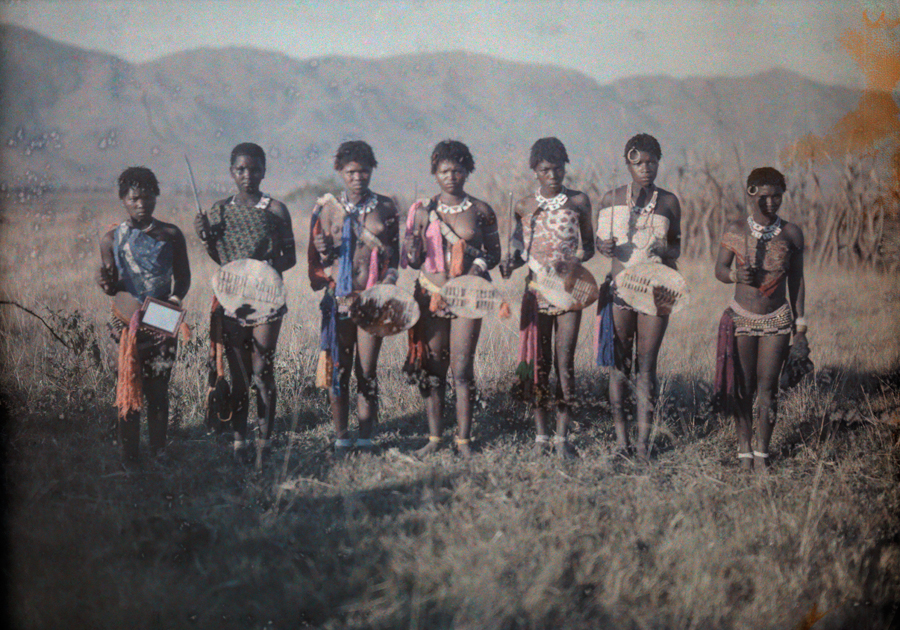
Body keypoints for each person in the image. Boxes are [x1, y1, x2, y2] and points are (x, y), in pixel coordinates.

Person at [194, 142, 296, 463]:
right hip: (231, 297)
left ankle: (265, 441)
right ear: (231, 172)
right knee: (239, 374)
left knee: (263, 368)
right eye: (241, 169)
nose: (248, 175)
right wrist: (205, 237)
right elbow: (220, 258)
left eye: (254, 169)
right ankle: (240, 440)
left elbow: (290, 257)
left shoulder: (276, 209)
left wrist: (260, 273)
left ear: (264, 171)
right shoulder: (218, 210)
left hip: (266, 295)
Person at [402, 140, 502, 458]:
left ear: (467, 171)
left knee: (462, 369)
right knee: (433, 369)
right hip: (430, 295)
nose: (451, 176)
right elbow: (413, 259)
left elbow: (495, 254)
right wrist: (414, 244)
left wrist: (476, 266)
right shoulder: (422, 211)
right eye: (444, 170)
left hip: (469, 295)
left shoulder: (481, 210)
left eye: (457, 170)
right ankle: (434, 440)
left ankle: (464, 441)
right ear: (435, 173)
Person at [500, 137, 594, 458]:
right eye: (545, 170)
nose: (553, 175)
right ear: (535, 172)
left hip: (568, 293)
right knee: (539, 366)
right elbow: (516, 250)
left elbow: (589, 247)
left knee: (565, 364)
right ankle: (541, 438)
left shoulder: (579, 201)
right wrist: (509, 262)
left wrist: (573, 260)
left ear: (565, 167)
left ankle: (562, 438)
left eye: (558, 168)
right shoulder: (525, 206)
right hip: (535, 293)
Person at [308, 141, 400, 457]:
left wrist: (387, 286)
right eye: (351, 172)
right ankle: (341, 438)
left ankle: (366, 439)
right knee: (340, 368)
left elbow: (395, 258)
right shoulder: (327, 209)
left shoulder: (386, 207)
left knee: (368, 370)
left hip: (372, 299)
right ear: (340, 172)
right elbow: (321, 261)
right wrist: (323, 250)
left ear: (372, 170)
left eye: (363, 171)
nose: (358, 177)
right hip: (341, 299)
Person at [97, 166, 191, 471]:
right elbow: (114, 285)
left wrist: (174, 302)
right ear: (123, 199)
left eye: (148, 197)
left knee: (159, 389)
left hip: (163, 317)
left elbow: (183, 278)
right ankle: (129, 457)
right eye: (134, 198)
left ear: (156, 197)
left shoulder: (171, 234)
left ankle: (158, 452)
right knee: (128, 385)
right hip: (125, 320)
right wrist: (107, 284)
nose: (141, 204)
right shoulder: (112, 239)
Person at [595, 133, 682, 461]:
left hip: (656, 291)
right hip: (620, 291)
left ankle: (644, 445)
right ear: (628, 163)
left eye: (652, 162)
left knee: (647, 367)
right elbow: (600, 244)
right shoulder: (610, 200)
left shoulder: (669, 202)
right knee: (620, 367)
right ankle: (621, 443)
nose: (646, 168)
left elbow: (676, 247)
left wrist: (665, 249)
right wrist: (603, 248)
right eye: (639, 162)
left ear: (659, 162)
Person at [714, 167, 807, 472]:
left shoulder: (791, 233)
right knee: (744, 387)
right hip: (742, 318)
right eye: (763, 197)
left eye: (776, 196)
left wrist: (800, 328)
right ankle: (744, 453)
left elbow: (797, 281)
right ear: (751, 193)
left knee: (768, 390)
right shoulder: (735, 229)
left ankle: (762, 455)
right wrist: (734, 276)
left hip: (777, 320)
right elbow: (719, 270)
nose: (770, 203)